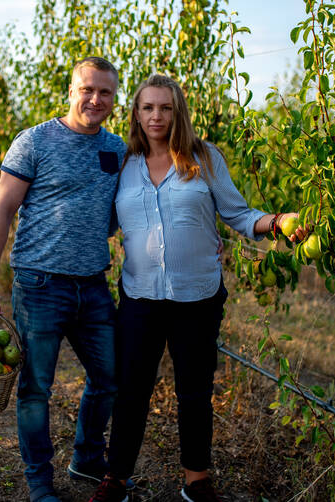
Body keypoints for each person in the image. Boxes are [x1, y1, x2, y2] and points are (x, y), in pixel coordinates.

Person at [88, 74, 307, 502]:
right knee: (132, 390)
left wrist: (278, 221)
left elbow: (239, 214)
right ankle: (116, 478)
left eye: (165, 108)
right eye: (148, 107)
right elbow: (103, 220)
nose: (156, 116)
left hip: (197, 297)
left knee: (195, 391)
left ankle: (196, 480)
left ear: (178, 112)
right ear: (136, 114)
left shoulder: (204, 158)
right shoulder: (122, 164)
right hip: (140, 297)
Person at [0, 57, 128, 502]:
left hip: (93, 285)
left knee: (110, 378)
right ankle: (39, 480)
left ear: (114, 98)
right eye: (87, 89)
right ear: (71, 90)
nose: (95, 99)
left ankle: (87, 458)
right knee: (36, 388)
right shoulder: (35, 141)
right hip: (40, 285)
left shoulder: (117, 150)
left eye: (105, 92)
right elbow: (1, 211)